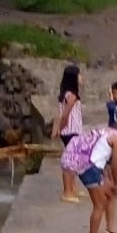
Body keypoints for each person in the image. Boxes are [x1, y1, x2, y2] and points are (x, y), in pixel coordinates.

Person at [60, 116, 117, 233]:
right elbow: (115, 164)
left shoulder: (107, 130)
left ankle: (110, 229)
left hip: (91, 167)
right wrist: (116, 182)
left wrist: (109, 182)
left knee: (111, 195)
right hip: (91, 169)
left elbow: (100, 155)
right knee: (99, 205)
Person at [51, 64, 84, 203]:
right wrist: (60, 128)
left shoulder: (66, 94)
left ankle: (73, 188)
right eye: (79, 75)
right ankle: (67, 192)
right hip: (70, 131)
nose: (81, 77)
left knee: (74, 160)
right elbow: (65, 115)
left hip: (72, 131)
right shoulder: (72, 96)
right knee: (70, 162)